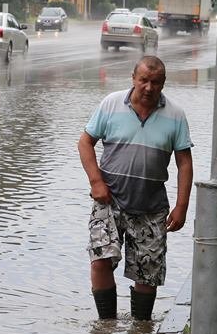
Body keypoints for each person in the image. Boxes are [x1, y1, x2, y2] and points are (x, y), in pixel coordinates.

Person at [77, 55, 193, 320]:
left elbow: (184, 162)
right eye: (144, 80)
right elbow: (85, 142)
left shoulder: (175, 115)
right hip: (109, 199)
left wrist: (182, 206)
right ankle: (106, 326)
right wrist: (96, 182)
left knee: (147, 271)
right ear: (133, 79)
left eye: (156, 82)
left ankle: (141, 329)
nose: (149, 88)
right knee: (101, 259)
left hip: (151, 206)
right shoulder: (111, 104)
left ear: (163, 83)